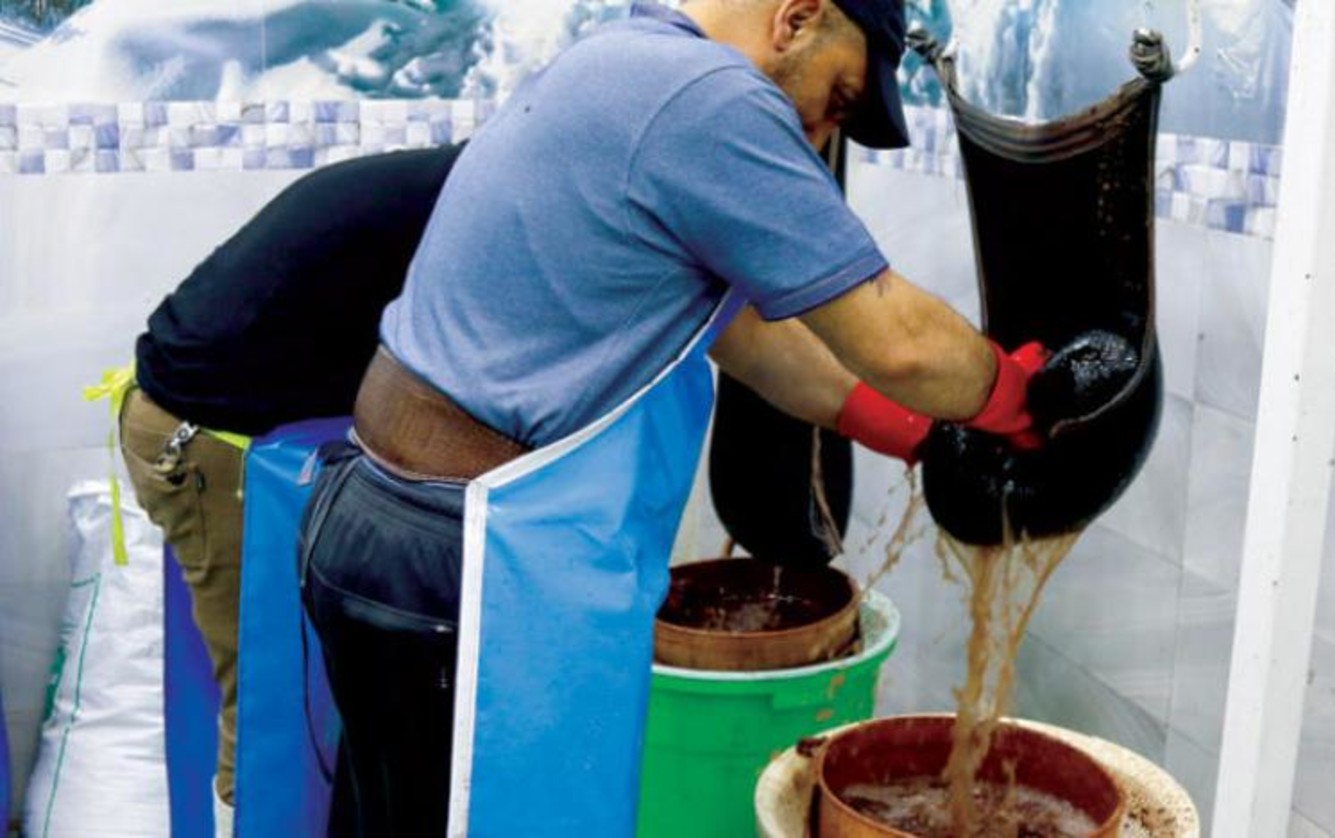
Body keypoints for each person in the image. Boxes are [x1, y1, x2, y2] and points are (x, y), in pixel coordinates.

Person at [298, 0, 1055, 834]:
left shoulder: (625, 63)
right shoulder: (712, 98)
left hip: (387, 524)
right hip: (474, 556)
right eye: (835, 101)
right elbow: (901, 343)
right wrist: (1015, 397)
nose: (817, 141)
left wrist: (913, 433)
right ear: (797, 19)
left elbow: (753, 341)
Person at [112, 143, 464, 833]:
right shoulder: (474, 206)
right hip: (208, 441)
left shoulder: (446, 182)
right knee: (266, 705)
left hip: (217, 427)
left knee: (271, 691)